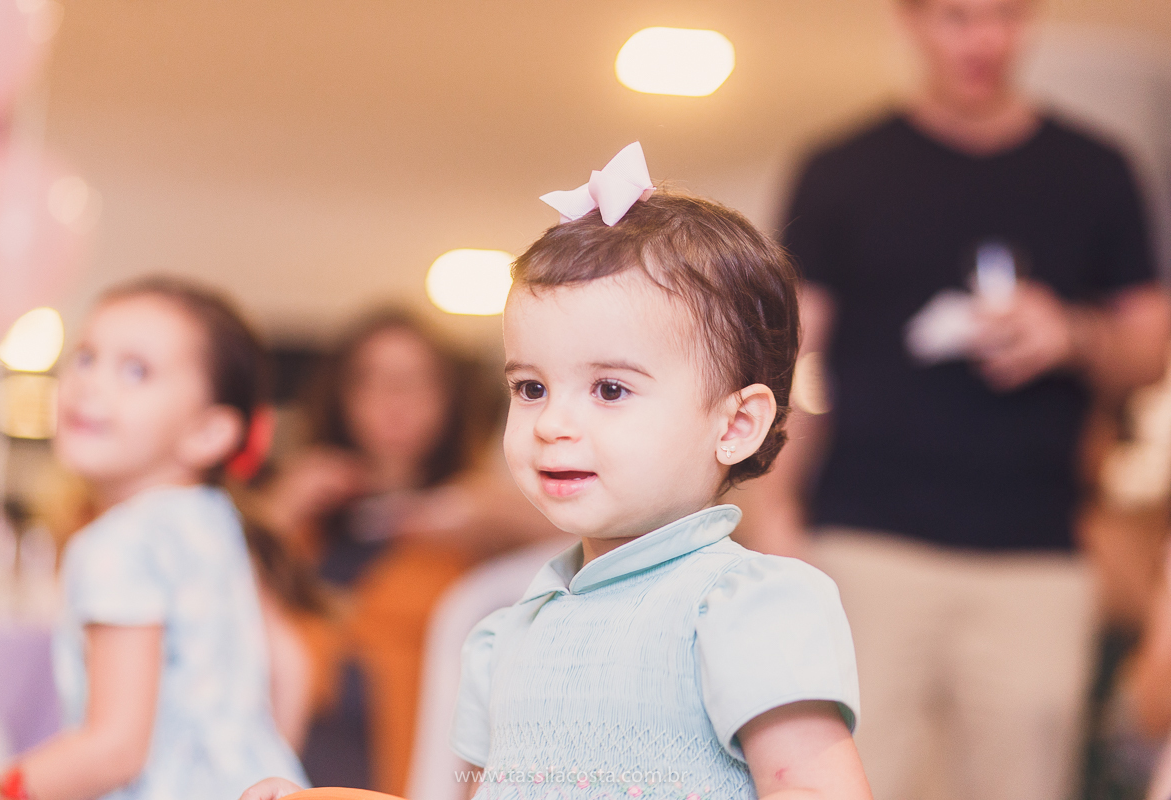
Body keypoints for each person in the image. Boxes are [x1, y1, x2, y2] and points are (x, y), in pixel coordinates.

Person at [241, 143, 871, 800]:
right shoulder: (506, 631)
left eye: (610, 389)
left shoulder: (746, 604)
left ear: (735, 425)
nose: (551, 423)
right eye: (532, 388)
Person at [741, 1, 1171, 798]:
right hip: (867, 541)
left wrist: (1073, 334)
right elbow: (787, 356)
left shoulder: (1097, 171)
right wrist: (774, 514)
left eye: (1004, 16)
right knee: (851, 776)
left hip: (1038, 552)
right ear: (910, 22)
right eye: (957, 17)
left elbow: (1152, 347)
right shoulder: (841, 169)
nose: (983, 40)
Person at [0, 278, 309, 800]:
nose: (90, 384)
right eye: (85, 358)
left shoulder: (116, 545)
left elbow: (114, 751)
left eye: (135, 371)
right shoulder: (216, 521)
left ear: (208, 433)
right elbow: (291, 665)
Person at [258, 309, 557, 793]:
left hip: (408, 775)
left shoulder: (476, 518)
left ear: (449, 398)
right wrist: (281, 507)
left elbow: (582, 530)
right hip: (285, 765)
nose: (393, 400)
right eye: (371, 380)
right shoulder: (304, 517)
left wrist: (471, 510)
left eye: (415, 382)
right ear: (341, 395)